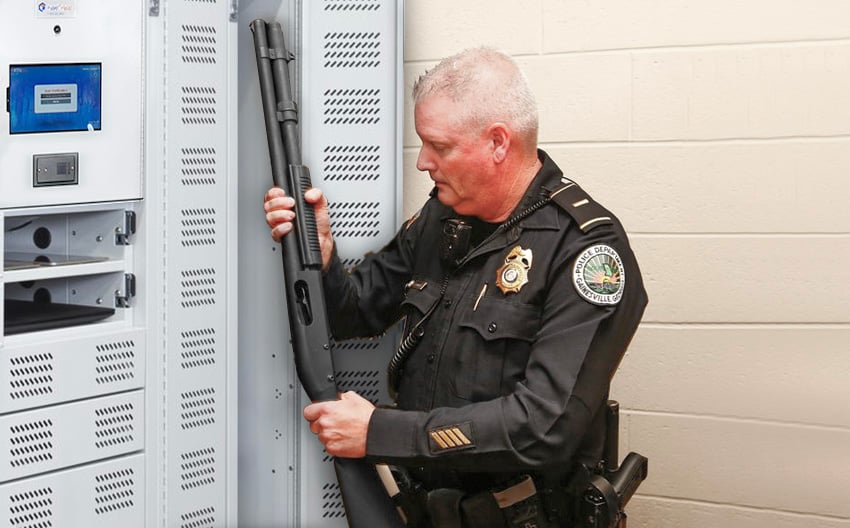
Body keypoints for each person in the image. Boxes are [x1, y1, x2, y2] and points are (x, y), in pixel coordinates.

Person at [264, 47, 648, 528]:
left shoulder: (584, 249)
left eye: (438, 146)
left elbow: (544, 426)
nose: (423, 161)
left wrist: (380, 431)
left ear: (497, 143)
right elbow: (354, 313)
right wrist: (321, 254)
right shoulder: (442, 219)